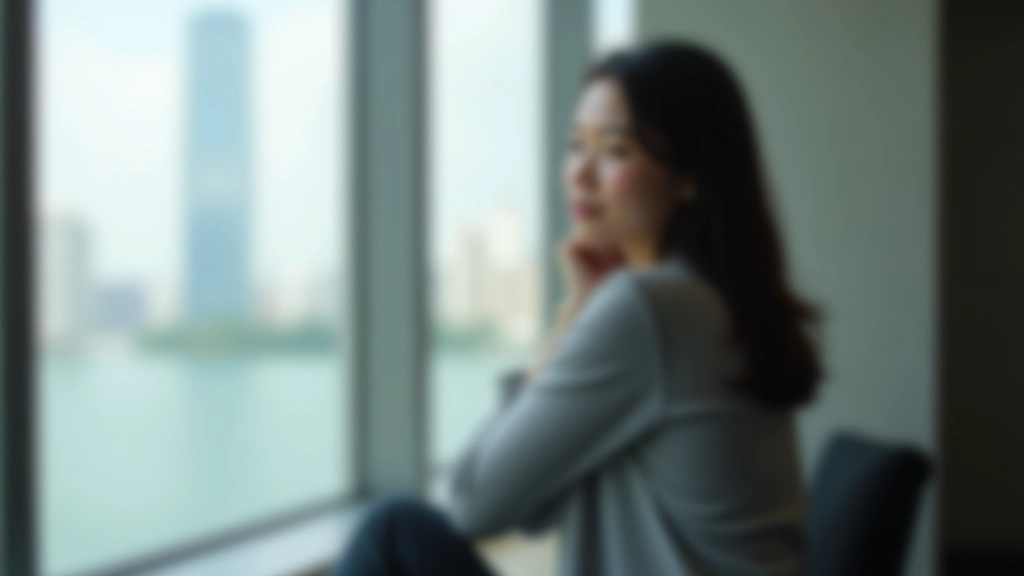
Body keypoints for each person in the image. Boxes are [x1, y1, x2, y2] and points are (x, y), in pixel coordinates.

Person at [330, 39, 824, 576]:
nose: (579, 173)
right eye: (575, 145)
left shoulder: (648, 308)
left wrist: (571, 318)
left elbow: (473, 504)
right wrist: (584, 309)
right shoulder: (716, 298)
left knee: (394, 532)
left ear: (690, 175)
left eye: (614, 150)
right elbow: (535, 511)